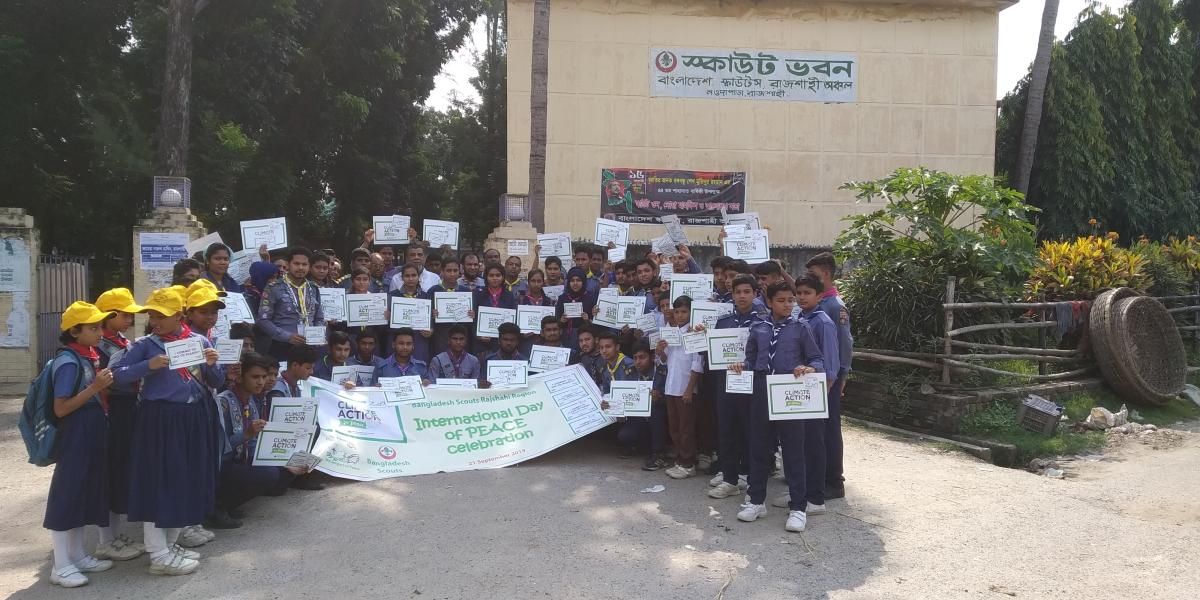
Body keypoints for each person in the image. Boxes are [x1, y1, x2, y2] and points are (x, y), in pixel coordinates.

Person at [113, 287, 222, 575]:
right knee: (160, 481)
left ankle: (171, 542)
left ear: (179, 315)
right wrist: (146, 366)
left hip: (193, 415)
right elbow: (118, 377)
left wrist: (212, 363)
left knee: (185, 478)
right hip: (160, 417)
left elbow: (216, 379)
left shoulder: (197, 341)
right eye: (152, 315)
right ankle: (158, 554)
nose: (155, 321)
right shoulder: (145, 345)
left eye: (161, 316)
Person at [730, 281, 824, 533]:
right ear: (769, 302)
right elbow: (750, 359)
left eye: (791, 300)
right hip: (761, 390)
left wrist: (809, 368)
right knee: (759, 448)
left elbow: (816, 359)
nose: (788, 304)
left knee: (793, 451)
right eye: (782, 300)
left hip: (788, 391)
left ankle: (798, 508)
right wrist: (741, 366)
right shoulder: (758, 327)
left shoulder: (800, 327)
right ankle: (756, 501)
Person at [44, 302, 118, 588]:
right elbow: (61, 408)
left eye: (99, 326)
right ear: (75, 331)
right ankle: (60, 565)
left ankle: (77, 555)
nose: (100, 332)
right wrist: (95, 388)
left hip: (91, 433)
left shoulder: (87, 356)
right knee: (67, 496)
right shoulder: (68, 362)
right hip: (76, 435)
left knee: (84, 493)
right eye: (93, 328)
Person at [214, 352, 309, 519]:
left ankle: (229, 504)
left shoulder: (250, 401)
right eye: (255, 377)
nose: (261, 382)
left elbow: (255, 445)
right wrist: (246, 434)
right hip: (222, 468)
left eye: (264, 377)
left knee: (285, 470)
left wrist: (284, 462)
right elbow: (220, 450)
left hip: (244, 460)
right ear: (240, 377)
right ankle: (218, 507)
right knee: (268, 474)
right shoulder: (223, 402)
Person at [90, 289, 146, 563]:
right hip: (111, 410)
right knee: (109, 472)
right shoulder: (99, 345)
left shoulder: (122, 340)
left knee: (121, 470)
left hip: (127, 407)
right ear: (109, 315)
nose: (130, 319)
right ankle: (105, 540)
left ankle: (115, 534)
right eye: (125, 314)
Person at [705, 274, 765, 500]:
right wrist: (703, 337)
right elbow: (711, 355)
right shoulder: (723, 322)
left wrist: (748, 365)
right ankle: (730, 479)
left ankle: (750, 478)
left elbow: (765, 354)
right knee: (727, 430)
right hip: (726, 383)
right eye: (738, 292)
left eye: (746, 292)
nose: (742, 296)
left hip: (751, 385)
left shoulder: (763, 322)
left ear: (755, 294)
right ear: (732, 295)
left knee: (752, 432)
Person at [805, 252, 853, 500]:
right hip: (815, 378)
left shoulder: (835, 306)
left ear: (825, 274)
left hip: (830, 379)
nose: (808, 281)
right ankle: (816, 474)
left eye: (813, 275)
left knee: (830, 428)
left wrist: (842, 375)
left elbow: (845, 343)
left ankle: (834, 480)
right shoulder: (816, 302)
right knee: (816, 429)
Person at [656, 295, 704, 480]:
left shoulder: (694, 333)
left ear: (691, 313)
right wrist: (660, 351)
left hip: (685, 388)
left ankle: (688, 463)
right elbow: (666, 360)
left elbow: (697, 364)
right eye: (676, 312)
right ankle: (680, 458)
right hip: (671, 386)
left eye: (684, 312)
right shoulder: (670, 331)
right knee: (674, 426)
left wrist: (689, 389)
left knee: (686, 427)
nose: (680, 315)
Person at [258, 247, 324, 362]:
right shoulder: (274, 287)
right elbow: (263, 320)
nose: (300, 268)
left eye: (304, 264)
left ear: (309, 267)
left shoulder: (313, 288)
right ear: (288, 265)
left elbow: (319, 317)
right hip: (282, 347)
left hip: (309, 348)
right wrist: (287, 337)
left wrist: (317, 335)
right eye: (296, 263)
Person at [613, 341, 668, 470]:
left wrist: (659, 397)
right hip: (639, 417)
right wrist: (618, 411)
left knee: (655, 411)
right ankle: (639, 447)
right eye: (635, 358)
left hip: (660, 416)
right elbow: (624, 396)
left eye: (642, 357)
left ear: (652, 357)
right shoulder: (631, 372)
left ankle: (659, 454)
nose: (638, 361)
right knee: (624, 436)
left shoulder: (661, 371)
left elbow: (671, 397)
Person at [428, 257, 475, 356]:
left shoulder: (466, 291)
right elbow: (425, 317)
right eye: (449, 270)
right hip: (441, 337)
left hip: (461, 339)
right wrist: (431, 315)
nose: (452, 274)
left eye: (455, 270)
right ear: (442, 272)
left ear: (460, 272)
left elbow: (471, 321)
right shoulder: (433, 291)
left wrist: (472, 314)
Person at [473, 263, 517, 354]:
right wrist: (477, 335)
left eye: (498, 275)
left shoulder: (509, 295)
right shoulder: (478, 293)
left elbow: (513, 318)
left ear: (503, 277)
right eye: (491, 275)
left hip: (503, 344)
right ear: (486, 277)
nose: (494, 278)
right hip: (482, 343)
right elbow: (472, 317)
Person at [556, 267, 596, 350]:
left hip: (585, 338)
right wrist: (562, 321)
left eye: (578, 280)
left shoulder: (590, 297)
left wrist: (587, 320)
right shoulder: (562, 298)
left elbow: (595, 322)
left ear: (583, 282)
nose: (575, 283)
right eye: (572, 280)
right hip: (566, 336)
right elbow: (556, 321)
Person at [480, 322, 526, 387]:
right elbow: (482, 383)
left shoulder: (524, 362)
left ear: (517, 342)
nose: (509, 343)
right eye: (505, 339)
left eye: (512, 340)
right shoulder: (489, 360)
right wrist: (482, 384)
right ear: (499, 341)